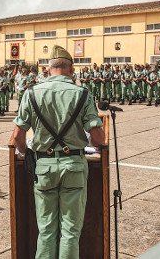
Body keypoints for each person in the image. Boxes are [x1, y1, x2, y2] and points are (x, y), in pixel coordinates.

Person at [12, 46, 105, 259]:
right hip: (73, 166)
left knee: (46, 230)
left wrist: (26, 153)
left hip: (43, 168)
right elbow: (98, 138)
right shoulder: (82, 93)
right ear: (71, 69)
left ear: (48, 68)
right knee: (70, 231)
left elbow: (18, 136)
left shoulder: (31, 93)